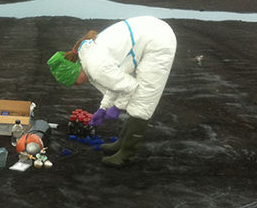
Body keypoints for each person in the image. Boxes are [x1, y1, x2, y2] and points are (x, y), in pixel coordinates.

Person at [47, 16, 177, 166]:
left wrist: (117, 107)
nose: (77, 85)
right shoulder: (87, 57)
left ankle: (126, 154)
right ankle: (121, 143)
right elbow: (115, 82)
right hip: (147, 31)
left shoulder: (96, 68)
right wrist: (103, 108)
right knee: (134, 97)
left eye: (74, 82)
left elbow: (129, 86)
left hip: (158, 41)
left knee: (143, 101)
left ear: (75, 73)